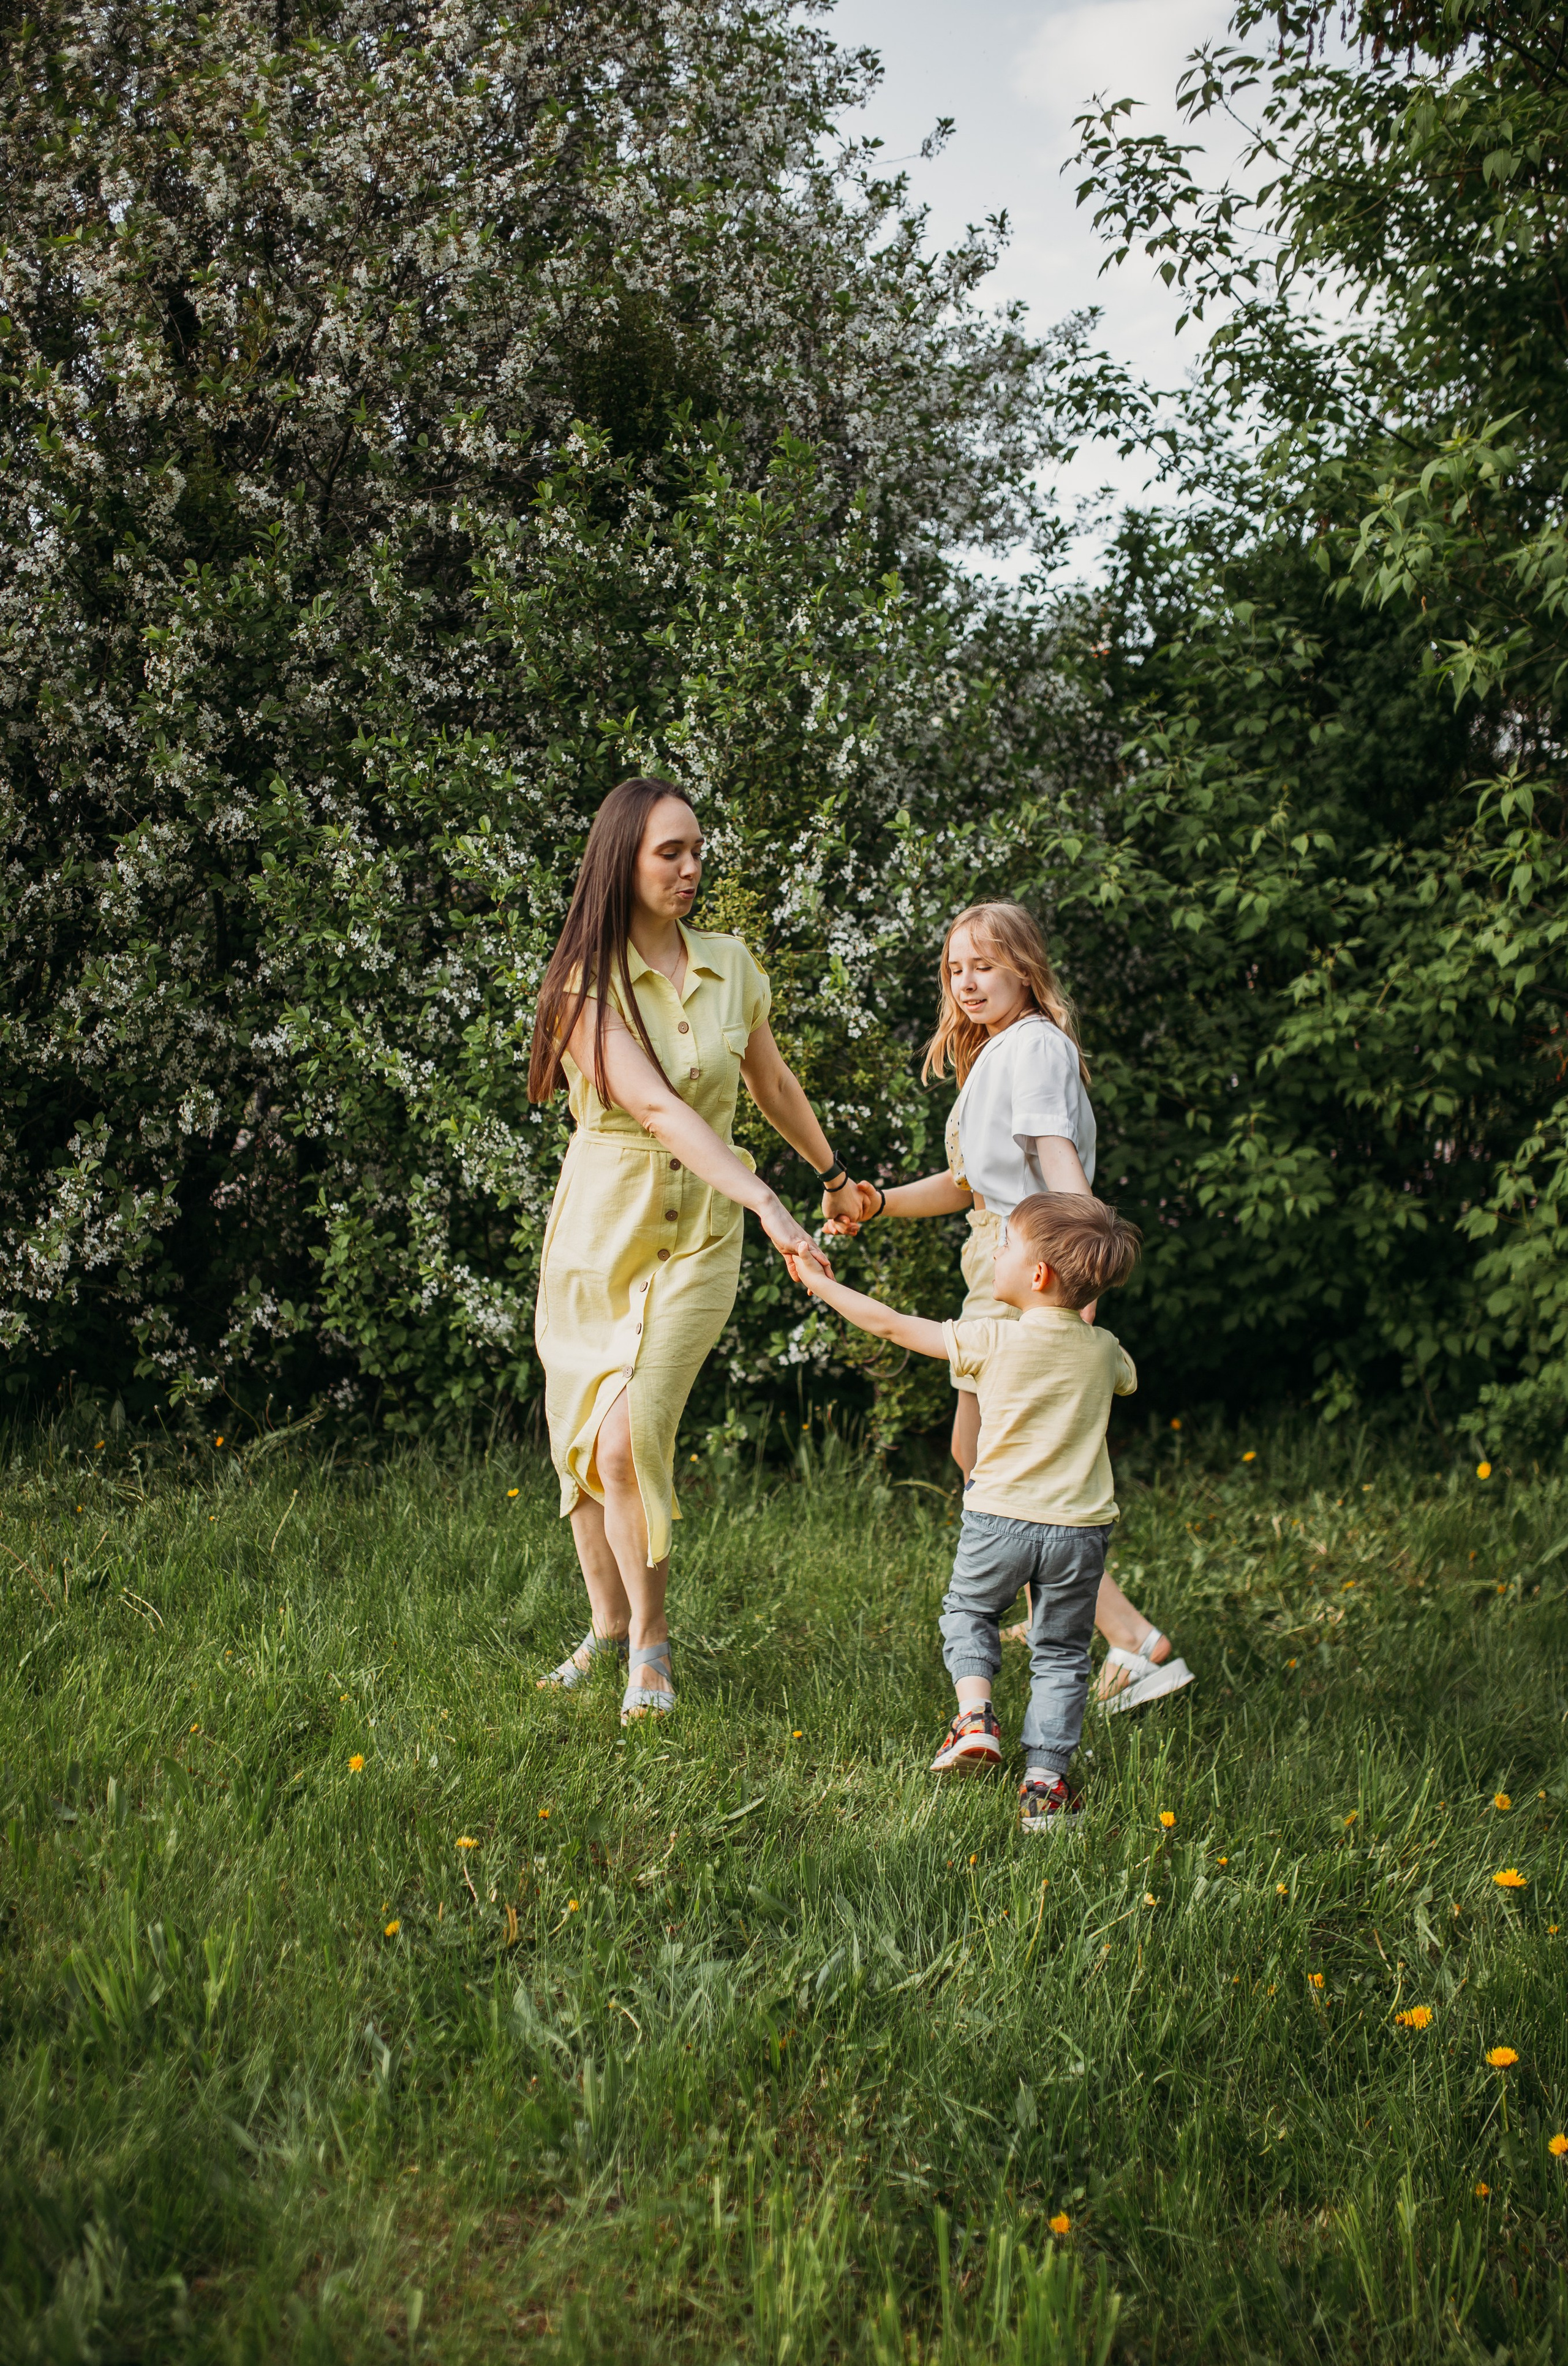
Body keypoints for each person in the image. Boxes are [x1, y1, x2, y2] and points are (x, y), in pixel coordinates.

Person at [529, 777, 852, 1722]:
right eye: (670, 851)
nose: (691, 866)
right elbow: (657, 1108)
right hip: (601, 1231)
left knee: (629, 1437)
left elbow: (771, 1082)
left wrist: (830, 1174)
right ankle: (606, 1627)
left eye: (697, 849)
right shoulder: (582, 984)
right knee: (584, 1436)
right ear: (621, 860)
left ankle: (653, 1643)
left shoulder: (732, 965)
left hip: (700, 1236)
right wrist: (768, 1198)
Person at [825, 902, 1192, 1715]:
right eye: (954, 969)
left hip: (1035, 1273)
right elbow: (972, 1186)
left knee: (1002, 1463)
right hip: (1004, 1263)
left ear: (1025, 968)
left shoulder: (1032, 1048)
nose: (966, 982)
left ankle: (1134, 1641)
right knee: (980, 1452)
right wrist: (876, 1201)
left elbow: (1059, 1168)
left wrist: (1077, 1288)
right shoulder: (999, 1051)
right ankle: (1060, 1605)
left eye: (984, 965)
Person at [791, 1192, 1141, 1831]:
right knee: (1062, 1652)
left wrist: (820, 1284)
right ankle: (1045, 1787)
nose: (994, 1254)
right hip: (1079, 1531)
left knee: (970, 1613)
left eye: (1004, 1246)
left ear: (1038, 1275)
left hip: (998, 1519)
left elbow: (892, 1325)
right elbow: (1125, 1377)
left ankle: (975, 1717)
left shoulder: (991, 1339)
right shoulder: (1104, 1350)